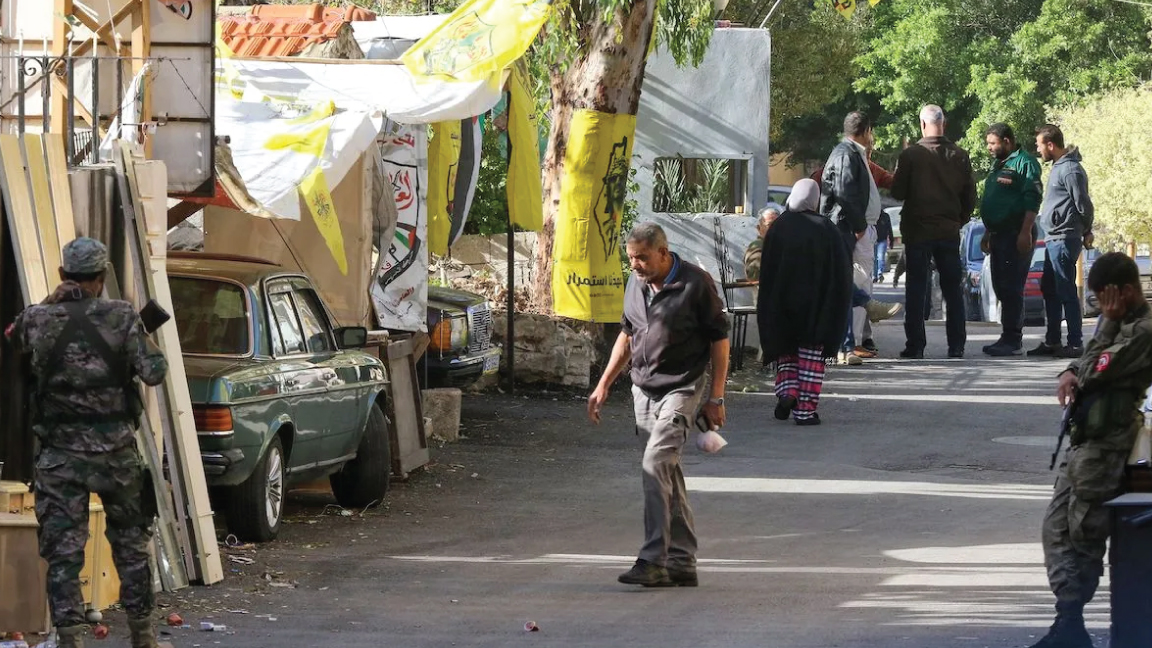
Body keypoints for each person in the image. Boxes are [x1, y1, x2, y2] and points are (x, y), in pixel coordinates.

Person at [7, 238, 169, 648]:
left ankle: (71, 640)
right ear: (102, 276)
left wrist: (53, 301)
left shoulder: (36, 319)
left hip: (60, 460)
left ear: (63, 274)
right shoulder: (123, 317)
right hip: (116, 456)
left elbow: (13, 339)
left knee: (64, 554)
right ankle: (143, 636)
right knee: (131, 547)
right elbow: (155, 372)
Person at [587, 222, 729, 588]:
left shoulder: (695, 284)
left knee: (654, 464)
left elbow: (719, 339)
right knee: (666, 471)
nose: (635, 264)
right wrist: (604, 383)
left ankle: (653, 559)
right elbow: (627, 334)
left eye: (642, 257)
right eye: (631, 258)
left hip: (683, 387)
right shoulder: (635, 284)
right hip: (644, 390)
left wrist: (716, 396)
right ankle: (681, 560)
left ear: (663, 253)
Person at [1031, 252, 1152, 648]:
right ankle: (1067, 619)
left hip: (1107, 448)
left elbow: (1096, 370)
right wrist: (1068, 370)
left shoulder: (1142, 330)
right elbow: (1084, 365)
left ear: (1125, 291)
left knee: (1084, 535)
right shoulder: (1118, 323)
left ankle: (1070, 624)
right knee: (1056, 528)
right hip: (1086, 443)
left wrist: (1106, 327)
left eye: (1105, 297)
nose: (1102, 306)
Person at [757, 180, 852, 425]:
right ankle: (805, 411)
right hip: (816, 309)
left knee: (787, 352)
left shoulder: (779, 227)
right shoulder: (826, 228)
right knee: (810, 359)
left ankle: (788, 393)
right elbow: (841, 273)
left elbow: (767, 270)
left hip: (782, 305)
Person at [890, 104, 977, 359]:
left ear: (922, 125)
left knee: (916, 289)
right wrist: (958, 220)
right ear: (944, 124)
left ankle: (915, 345)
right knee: (953, 290)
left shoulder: (911, 155)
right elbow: (970, 196)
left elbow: (898, 192)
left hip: (918, 231)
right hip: (948, 231)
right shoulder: (959, 155)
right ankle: (957, 346)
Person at [820, 111, 884, 364]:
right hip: (845, 227)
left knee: (845, 284)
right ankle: (845, 344)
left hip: (848, 227)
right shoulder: (846, 154)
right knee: (844, 284)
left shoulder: (851, 152)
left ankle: (846, 344)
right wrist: (858, 226)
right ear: (866, 131)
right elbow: (844, 191)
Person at [980, 123, 1043, 356]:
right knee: (1000, 286)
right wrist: (988, 232)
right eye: (988, 143)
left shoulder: (1025, 163)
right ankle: (1007, 336)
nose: (989, 147)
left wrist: (1025, 232)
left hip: (1016, 233)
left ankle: (1013, 339)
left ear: (1007, 141)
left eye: (993, 143)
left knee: (1012, 286)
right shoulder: (999, 165)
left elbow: (1032, 198)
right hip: (998, 234)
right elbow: (995, 200)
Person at [1032, 124, 1095, 359]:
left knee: (1065, 289)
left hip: (1064, 237)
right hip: (1054, 238)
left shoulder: (1070, 170)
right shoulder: (1059, 167)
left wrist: (1087, 230)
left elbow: (1084, 204)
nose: (1038, 150)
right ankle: (1053, 341)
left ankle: (1075, 343)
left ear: (1050, 145)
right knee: (1050, 288)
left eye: (1039, 145)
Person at [743, 204, 781, 282]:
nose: (774, 229)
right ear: (759, 228)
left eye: (777, 225)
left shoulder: (777, 245)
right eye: (769, 225)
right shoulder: (758, 246)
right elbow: (754, 275)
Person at [874, 209, 894, 282]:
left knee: (880, 257)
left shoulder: (885, 216)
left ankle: (879, 274)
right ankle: (874, 275)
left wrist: (891, 240)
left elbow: (889, 228)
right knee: (874, 258)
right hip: (873, 240)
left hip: (882, 240)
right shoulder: (872, 216)